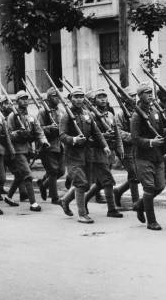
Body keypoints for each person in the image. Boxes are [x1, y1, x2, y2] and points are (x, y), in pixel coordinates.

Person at [58, 86, 110, 224]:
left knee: (86, 184)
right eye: (76, 97)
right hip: (73, 155)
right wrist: (74, 140)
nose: (79, 99)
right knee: (81, 183)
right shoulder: (66, 116)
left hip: (87, 154)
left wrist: (105, 145)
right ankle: (82, 214)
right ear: (71, 99)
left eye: (81, 96)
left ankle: (65, 200)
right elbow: (62, 135)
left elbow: (96, 132)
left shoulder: (87, 114)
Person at [83, 89, 124, 219]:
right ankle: (111, 209)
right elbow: (88, 136)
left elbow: (116, 133)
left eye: (104, 97)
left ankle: (83, 200)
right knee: (107, 181)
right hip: (96, 152)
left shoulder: (110, 115)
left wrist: (119, 148)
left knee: (101, 182)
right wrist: (102, 137)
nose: (102, 99)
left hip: (109, 152)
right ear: (94, 100)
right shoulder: (90, 115)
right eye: (99, 97)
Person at [6, 90, 50, 212]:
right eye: (22, 99)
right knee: (28, 175)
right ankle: (33, 203)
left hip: (28, 150)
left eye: (26, 99)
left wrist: (43, 140)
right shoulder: (12, 116)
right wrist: (18, 133)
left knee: (20, 176)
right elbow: (8, 135)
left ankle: (8, 197)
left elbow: (38, 130)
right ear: (17, 101)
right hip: (17, 150)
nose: (25, 101)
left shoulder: (31, 117)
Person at [131, 83, 166, 230]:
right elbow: (135, 138)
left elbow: (160, 131)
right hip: (143, 156)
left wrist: (165, 149)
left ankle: (139, 205)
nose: (150, 95)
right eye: (146, 93)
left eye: (151, 92)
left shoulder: (154, 111)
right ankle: (151, 221)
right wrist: (151, 142)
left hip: (157, 156)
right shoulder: (136, 115)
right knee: (149, 188)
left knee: (160, 186)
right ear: (140, 96)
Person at [37, 87, 65, 205]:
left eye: (58, 95)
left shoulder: (61, 111)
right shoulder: (42, 112)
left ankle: (43, 185)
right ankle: (54, 197)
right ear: (48, 98)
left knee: (61, 171)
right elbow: (38, 129)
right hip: (47, 146)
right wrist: (49, 128)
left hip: (60, 145)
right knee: (53, 171)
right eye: (54, 96)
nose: (57, 98)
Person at [114, 87, 140, 208]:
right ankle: (136, 202)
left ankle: (118, 191)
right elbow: (118, 132)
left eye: (135, 96)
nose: (133, 98)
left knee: (136, 175)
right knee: (134, 175)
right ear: (124, 99)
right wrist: (133, 137)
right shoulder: (120, 114)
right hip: (125, 148)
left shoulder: (137, 111)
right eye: (131, 96)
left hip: (137, 147)